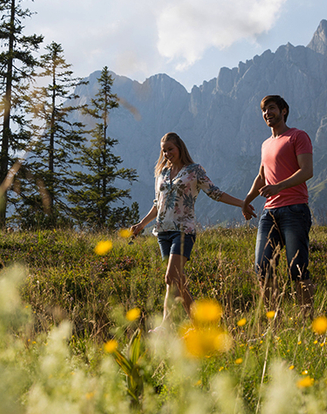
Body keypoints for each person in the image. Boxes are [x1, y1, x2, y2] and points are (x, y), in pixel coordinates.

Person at [131, 132, 252, 324]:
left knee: (171, 277)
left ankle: (166, 326)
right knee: (177, 282)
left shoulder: (194, 171)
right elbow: (158, 204)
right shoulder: (161, 173)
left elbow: (215, 193)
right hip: (163, 232)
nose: (167, 153)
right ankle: (199, 323)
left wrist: (242, 203)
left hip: (184, 230)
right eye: (164, 151)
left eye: (170, 149)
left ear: (180, 147)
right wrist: (141, 225)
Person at [242, 95, 315, 315]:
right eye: (264, 111)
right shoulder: (266, 144)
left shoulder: (297, 136)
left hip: (295, 210)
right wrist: (247, 201)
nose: (267, 114)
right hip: (269, 214)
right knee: (262, 268)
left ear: (284, 111)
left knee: (298, 269)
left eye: (271, 109)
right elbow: (261, 177)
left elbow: (307, 171)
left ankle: (308, 319)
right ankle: (274, 322)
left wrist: (279, 187)